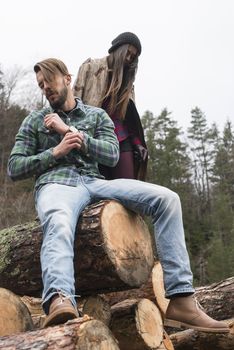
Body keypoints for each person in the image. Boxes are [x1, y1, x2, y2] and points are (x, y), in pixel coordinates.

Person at [8, 58, 229, 333]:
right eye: (40, 85)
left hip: (95, 183)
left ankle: (182, 300)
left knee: (167, 199)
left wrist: (72, 134)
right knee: (59, 221)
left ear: (67, 78)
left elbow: (111, 155)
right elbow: (14, 167)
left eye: (49, 81)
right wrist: (55, 152)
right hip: (57, 185)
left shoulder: (96, 116)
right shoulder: (34, 121)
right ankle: (60, 299)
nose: (45, 89)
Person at [73, 32, 148, 180]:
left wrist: (137, 143)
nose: (128, 59)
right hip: (93, 137)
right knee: (100, 189)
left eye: (133, 57)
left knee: (128, 189)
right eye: (127, 53)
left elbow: (128, 119)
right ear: (117, 49)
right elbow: (74, 101)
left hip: (121, 138)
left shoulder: (128, 84)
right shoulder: (90, 68)